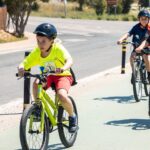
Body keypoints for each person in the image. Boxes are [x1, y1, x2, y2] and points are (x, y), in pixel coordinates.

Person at [18, 23, 77, 133]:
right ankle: (38, 109)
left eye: (44, 41)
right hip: (47, 76)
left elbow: (70, 60)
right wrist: (21, 68)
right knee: (36, 83)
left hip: (62, 76)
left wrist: (63, 68)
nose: (40, 44)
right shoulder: (37, 52)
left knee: (61, 95)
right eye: (38, 40)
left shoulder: (58, 49)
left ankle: (72, 116)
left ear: (52, 40)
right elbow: (26, 62)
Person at [117, 10, 150, 83]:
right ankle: (134, 73)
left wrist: (141, 47)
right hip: (136, 47)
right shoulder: (136, 27)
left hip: (146, 48)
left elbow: (146, 41)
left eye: (146, 19)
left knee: (146, 58)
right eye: (142, 19)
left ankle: (148, 74)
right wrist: (121, 39)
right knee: (132, 57)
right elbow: (128, 34)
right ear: (139, 19)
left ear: (148, 19)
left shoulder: (149, 28)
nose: (144, 21)